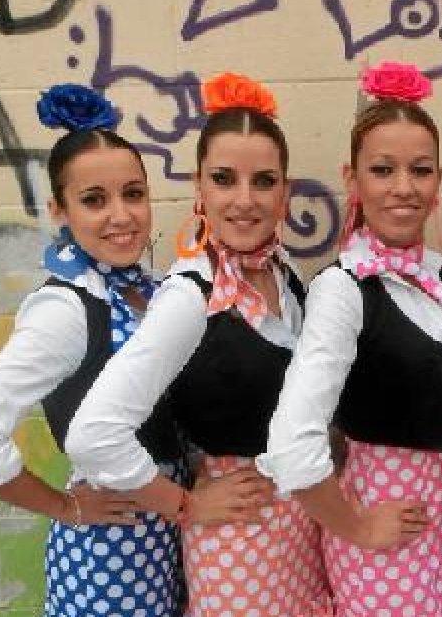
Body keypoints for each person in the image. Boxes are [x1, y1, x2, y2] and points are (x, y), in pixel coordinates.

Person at [64, 72, 332, 617]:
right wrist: (184, 505)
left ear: (286, 192)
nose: (244, 200)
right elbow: (95, 436)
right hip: (235, 539)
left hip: (303, 529)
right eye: (225, 179)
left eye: (264, 181)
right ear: (199, 187)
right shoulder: (190, 294)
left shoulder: (288, 275)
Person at [0, 84, 194, 616]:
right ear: (60, 209)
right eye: (94, 200)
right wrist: (65, 507)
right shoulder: (66, 309)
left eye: (133, 193)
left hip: (167, 537)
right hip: (110, 553)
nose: (121, 215)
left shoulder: (148, 288)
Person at [258, 61, 442, 617]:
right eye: (383, 170)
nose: (404, 188)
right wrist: (355, 524)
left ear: (439, 180)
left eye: (420, 170)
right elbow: (291, 444)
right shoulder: (343, 289)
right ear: (352, 180)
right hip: (382, 533)